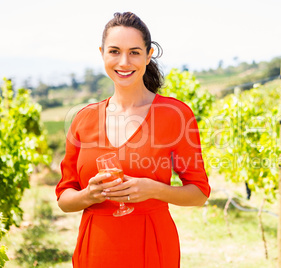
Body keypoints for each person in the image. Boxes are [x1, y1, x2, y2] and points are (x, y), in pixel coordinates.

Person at [55, 12, 210, 268]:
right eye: (114, 51)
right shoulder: (83, 119)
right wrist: (90, 195)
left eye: (134, 52)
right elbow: (64, 198)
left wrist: (155, 190)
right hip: (95, 250)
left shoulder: (175, 115)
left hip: (152, 249)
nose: (124, 62)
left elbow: (199, 194)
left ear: (148, 56)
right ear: (102, 53)